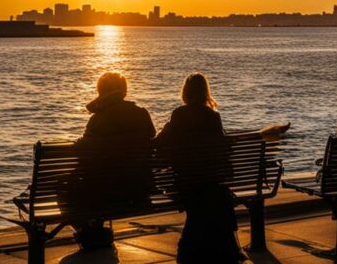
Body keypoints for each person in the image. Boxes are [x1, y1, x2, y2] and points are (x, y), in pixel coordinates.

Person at [155, 73, 245, 263]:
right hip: (211, 182)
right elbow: (223, 149)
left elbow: (159, 144)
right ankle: (225, 249)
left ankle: (193, 249)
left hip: (186, 183)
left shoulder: (179, 114)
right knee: (214, 195)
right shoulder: (213, 117)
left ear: (185, 93)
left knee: (200, 197)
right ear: (205, 93)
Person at [69, 72, 156, 250]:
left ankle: (88, 232)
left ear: (100, 92)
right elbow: (152, 139)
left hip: (106, 193)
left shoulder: (98, 120)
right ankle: (93, 233)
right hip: (138, 191)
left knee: (67, 186)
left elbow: (82, 154)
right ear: (124, 91)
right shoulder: (141, 114)